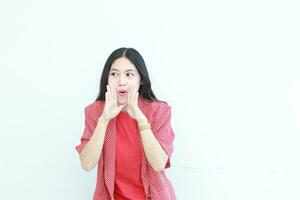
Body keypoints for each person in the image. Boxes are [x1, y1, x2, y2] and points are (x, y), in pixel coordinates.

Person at [75, 47, 176, 200]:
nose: (121, 81)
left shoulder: (159, 111)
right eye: (114, 74)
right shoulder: (95, 112)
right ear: (107, 79)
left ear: (141, 79)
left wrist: (141, 119)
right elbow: (87, 164)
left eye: (129, 74)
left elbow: (159, 164)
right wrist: (103, 121)